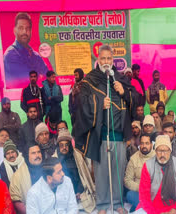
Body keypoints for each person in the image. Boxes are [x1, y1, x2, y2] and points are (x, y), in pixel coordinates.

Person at [74, 44, 137, 214]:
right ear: (98, 59)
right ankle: (102, 205)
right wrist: (99, 104)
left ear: (113, 59)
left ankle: (117, 203)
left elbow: (137, 99)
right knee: (101, 173)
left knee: (118, 170)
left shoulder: (120, 78)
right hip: (101, 135)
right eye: (103, 58)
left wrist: (124, 92)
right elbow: (81, 103)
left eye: (109, 58)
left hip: (119, 134)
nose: (106, 61)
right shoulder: (90, 79)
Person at [135, 135, 176, 214]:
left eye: (166, 151)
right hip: (152, 207)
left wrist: (174, 210)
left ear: (170, 151)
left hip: (174, 207)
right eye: (159, 151)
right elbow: (144, 195)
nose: (162, 154)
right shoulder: (148, 165)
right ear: (155, 151)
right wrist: (154, 212)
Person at [3, 12, 48, 88]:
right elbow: (28, 81)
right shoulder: (10, 55)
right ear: (15, 31)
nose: (24, 32)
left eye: (27, 28)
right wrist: (40, 75)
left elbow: (48, 77)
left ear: (31, 31)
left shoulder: (35, 55)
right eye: (21, 28)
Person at [124, 133, 156, 212]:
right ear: (139, 144)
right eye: (142, 143)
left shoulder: (157, 157)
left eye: (147, 143)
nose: (144, 146)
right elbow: (127, 180)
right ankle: (147, 206)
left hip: (154, 192)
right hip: (139, 193)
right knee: (129, 195)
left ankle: (139, 207)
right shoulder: (133, 159)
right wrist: (141, 188)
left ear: (151, 144)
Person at [9, 143, 43, 214]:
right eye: (33, 153)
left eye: (39, 152)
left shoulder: (48, 169)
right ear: (27, 156)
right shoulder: (17, 176)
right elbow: (16, 200)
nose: (37, 155)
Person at [56, 129, 84, 195]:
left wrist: (79, 192)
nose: (64, 148)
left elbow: (82, 176)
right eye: (61, 145)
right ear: (58, 146)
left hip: (78, 193)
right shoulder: (55, 158)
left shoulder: (77, 157)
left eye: (66, 145)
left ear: (70, 146)